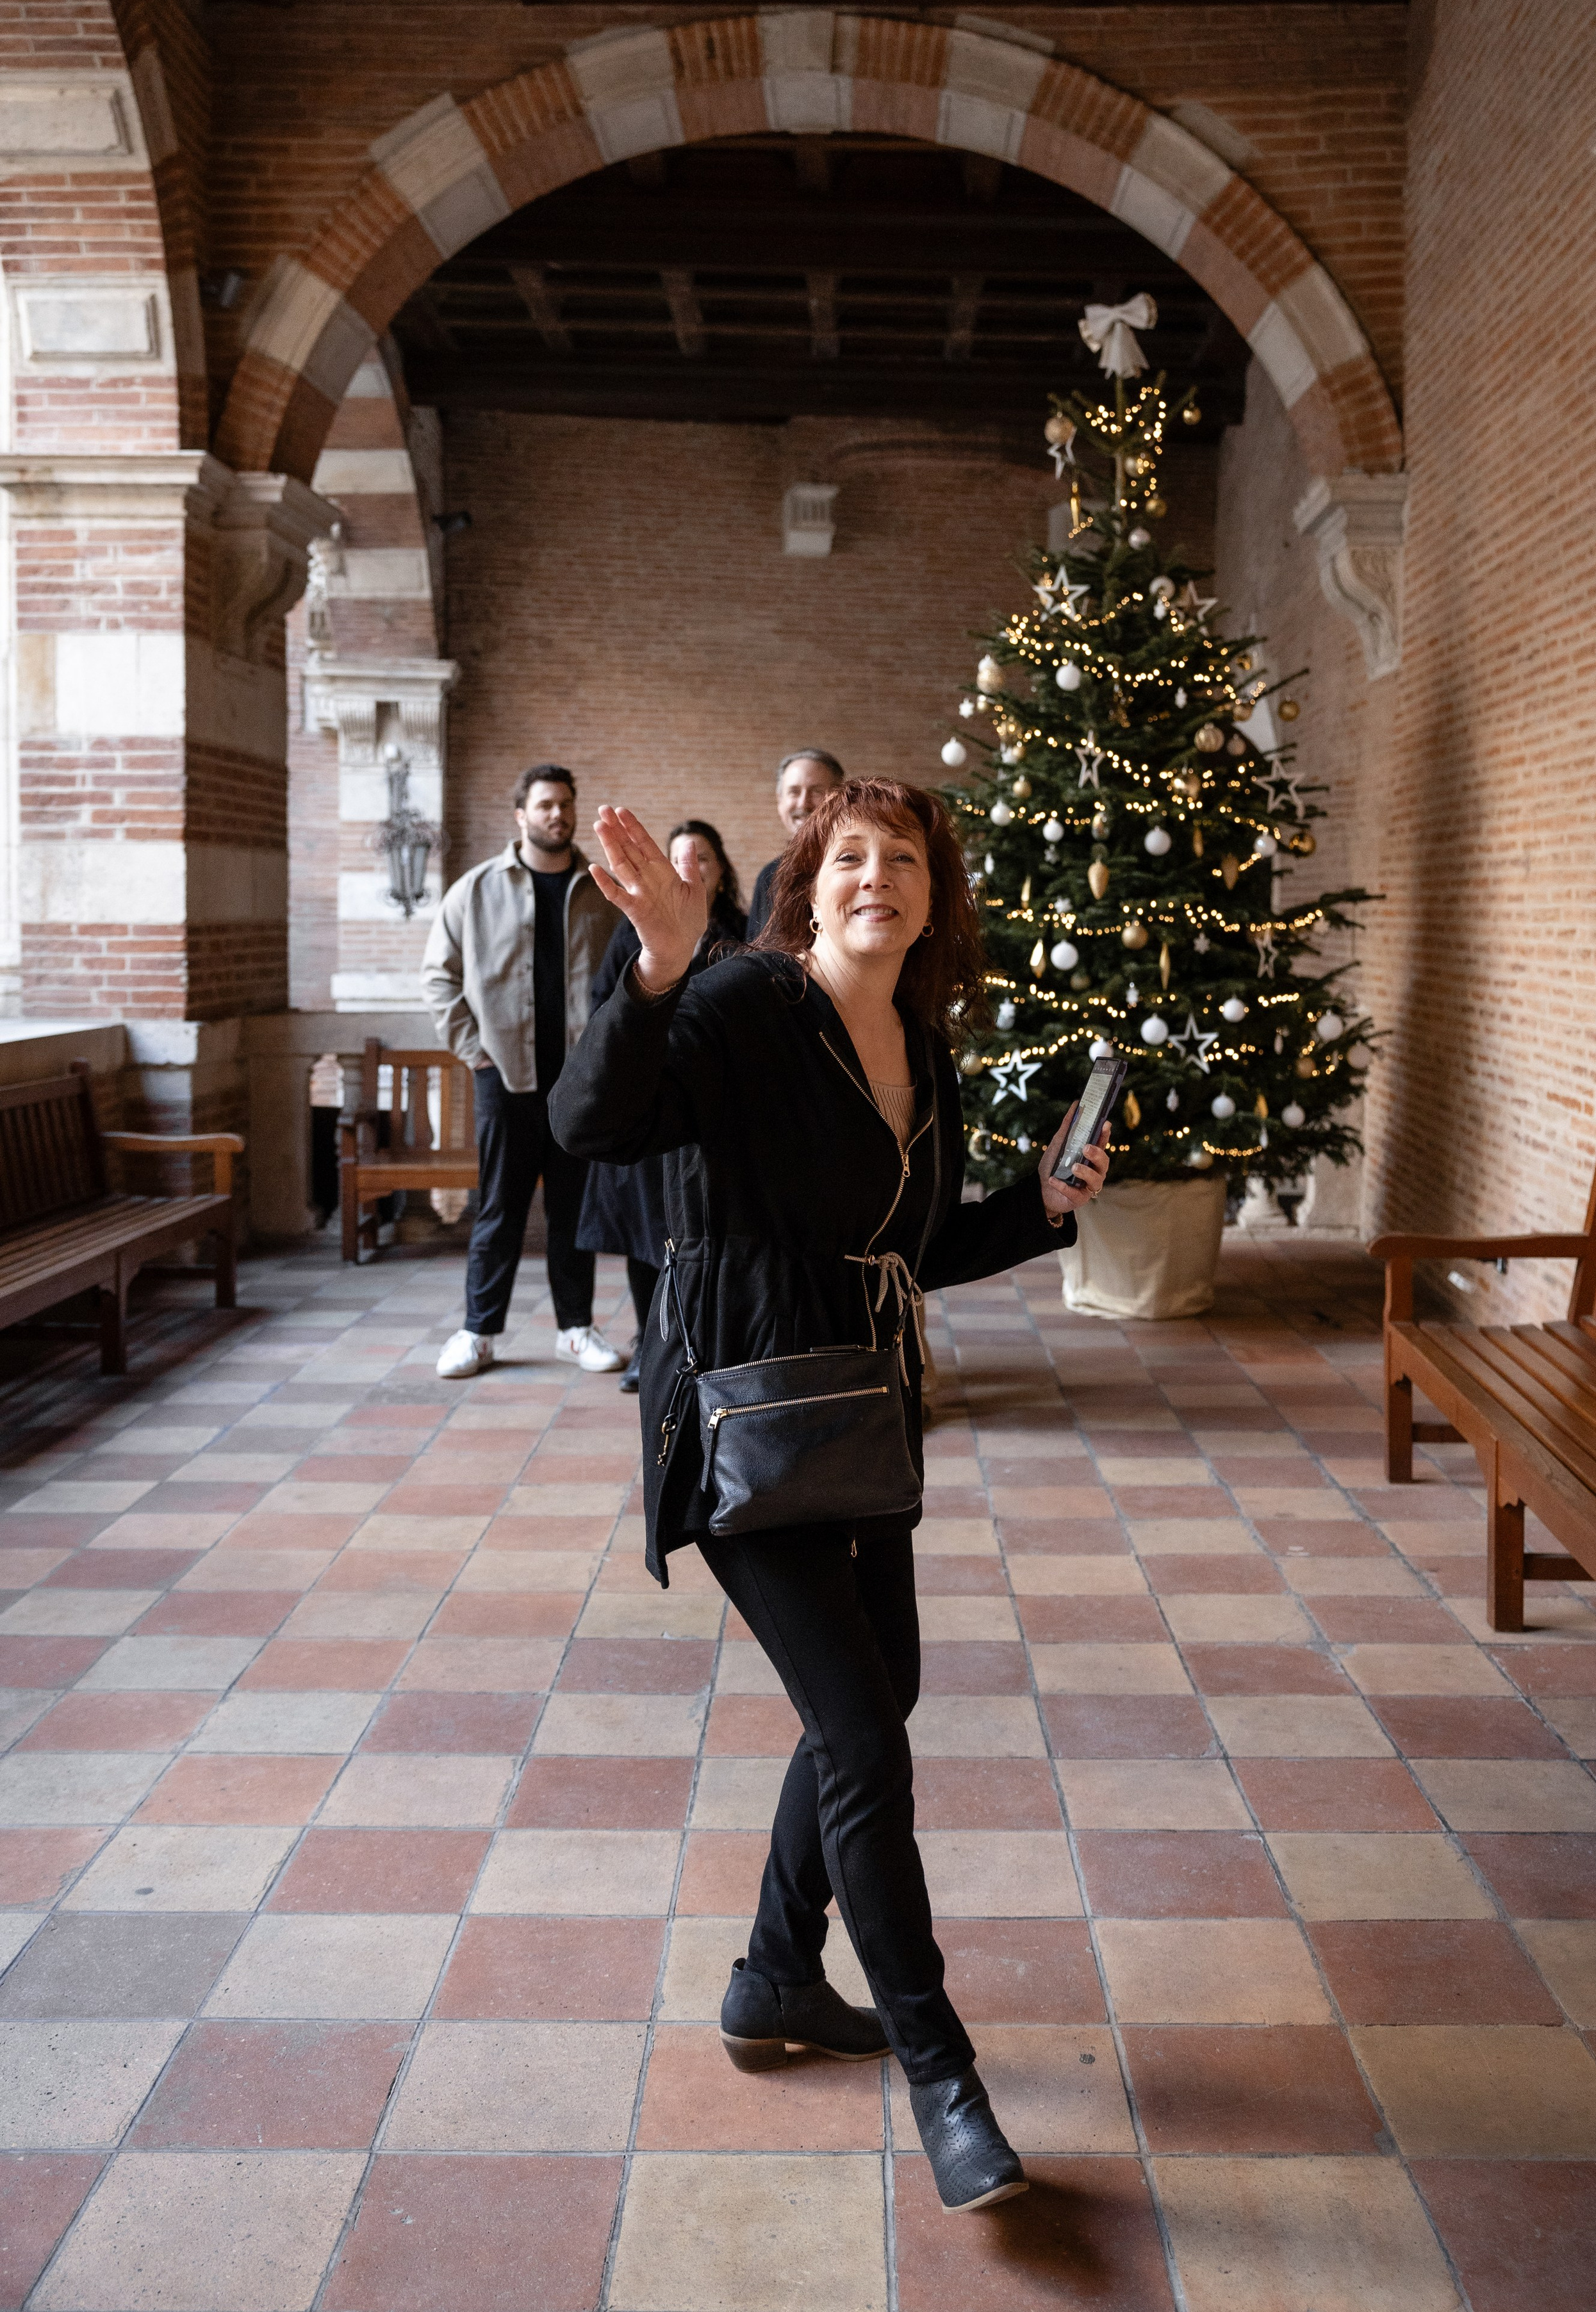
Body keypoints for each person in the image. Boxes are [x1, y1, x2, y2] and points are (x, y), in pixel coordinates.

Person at [550, 776, 1108, 2213]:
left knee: (878, 1696)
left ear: (935, 895)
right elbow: (590, 1122)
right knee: (863, 1737)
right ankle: (943, 2076)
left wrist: (1036, 1210)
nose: (878, 878)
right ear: (808, 881)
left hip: (862, 1419)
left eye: (904, 859)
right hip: (743, 1416)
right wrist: (658, 967)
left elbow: (902, 1247)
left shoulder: (927, 1045)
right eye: (848, 856)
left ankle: (774, 1979)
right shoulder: (743, 1004)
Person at [422, 762, 623, 1379]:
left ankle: (575, 1329)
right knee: (499, 1209)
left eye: (565, 803)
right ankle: (479, 1332)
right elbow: (439, 976)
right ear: (522, 815)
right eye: (544, 805)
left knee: (573, 1211)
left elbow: (625, 978)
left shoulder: (602, 891)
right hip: (503, 1077)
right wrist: (473, 1048)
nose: (557, 814)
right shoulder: (475, 890)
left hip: (577, 1087)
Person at [577, 820, 746, 1393]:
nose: (689, 867)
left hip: (709, 1110)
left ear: (720, 872)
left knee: (702, 1231)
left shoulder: (740, 935)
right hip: (646, 1100)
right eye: (677, 859)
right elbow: (605, 1004)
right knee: (646, 1234)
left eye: (702, 858)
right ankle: (648, 1347)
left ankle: (699, 1344)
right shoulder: (635, 932)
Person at [745, 748, 844, 936]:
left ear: (840, 799)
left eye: (816, 791)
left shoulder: (856, 869)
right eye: (794, 792)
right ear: (780, 801)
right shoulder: (769, 877)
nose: (803, 804)